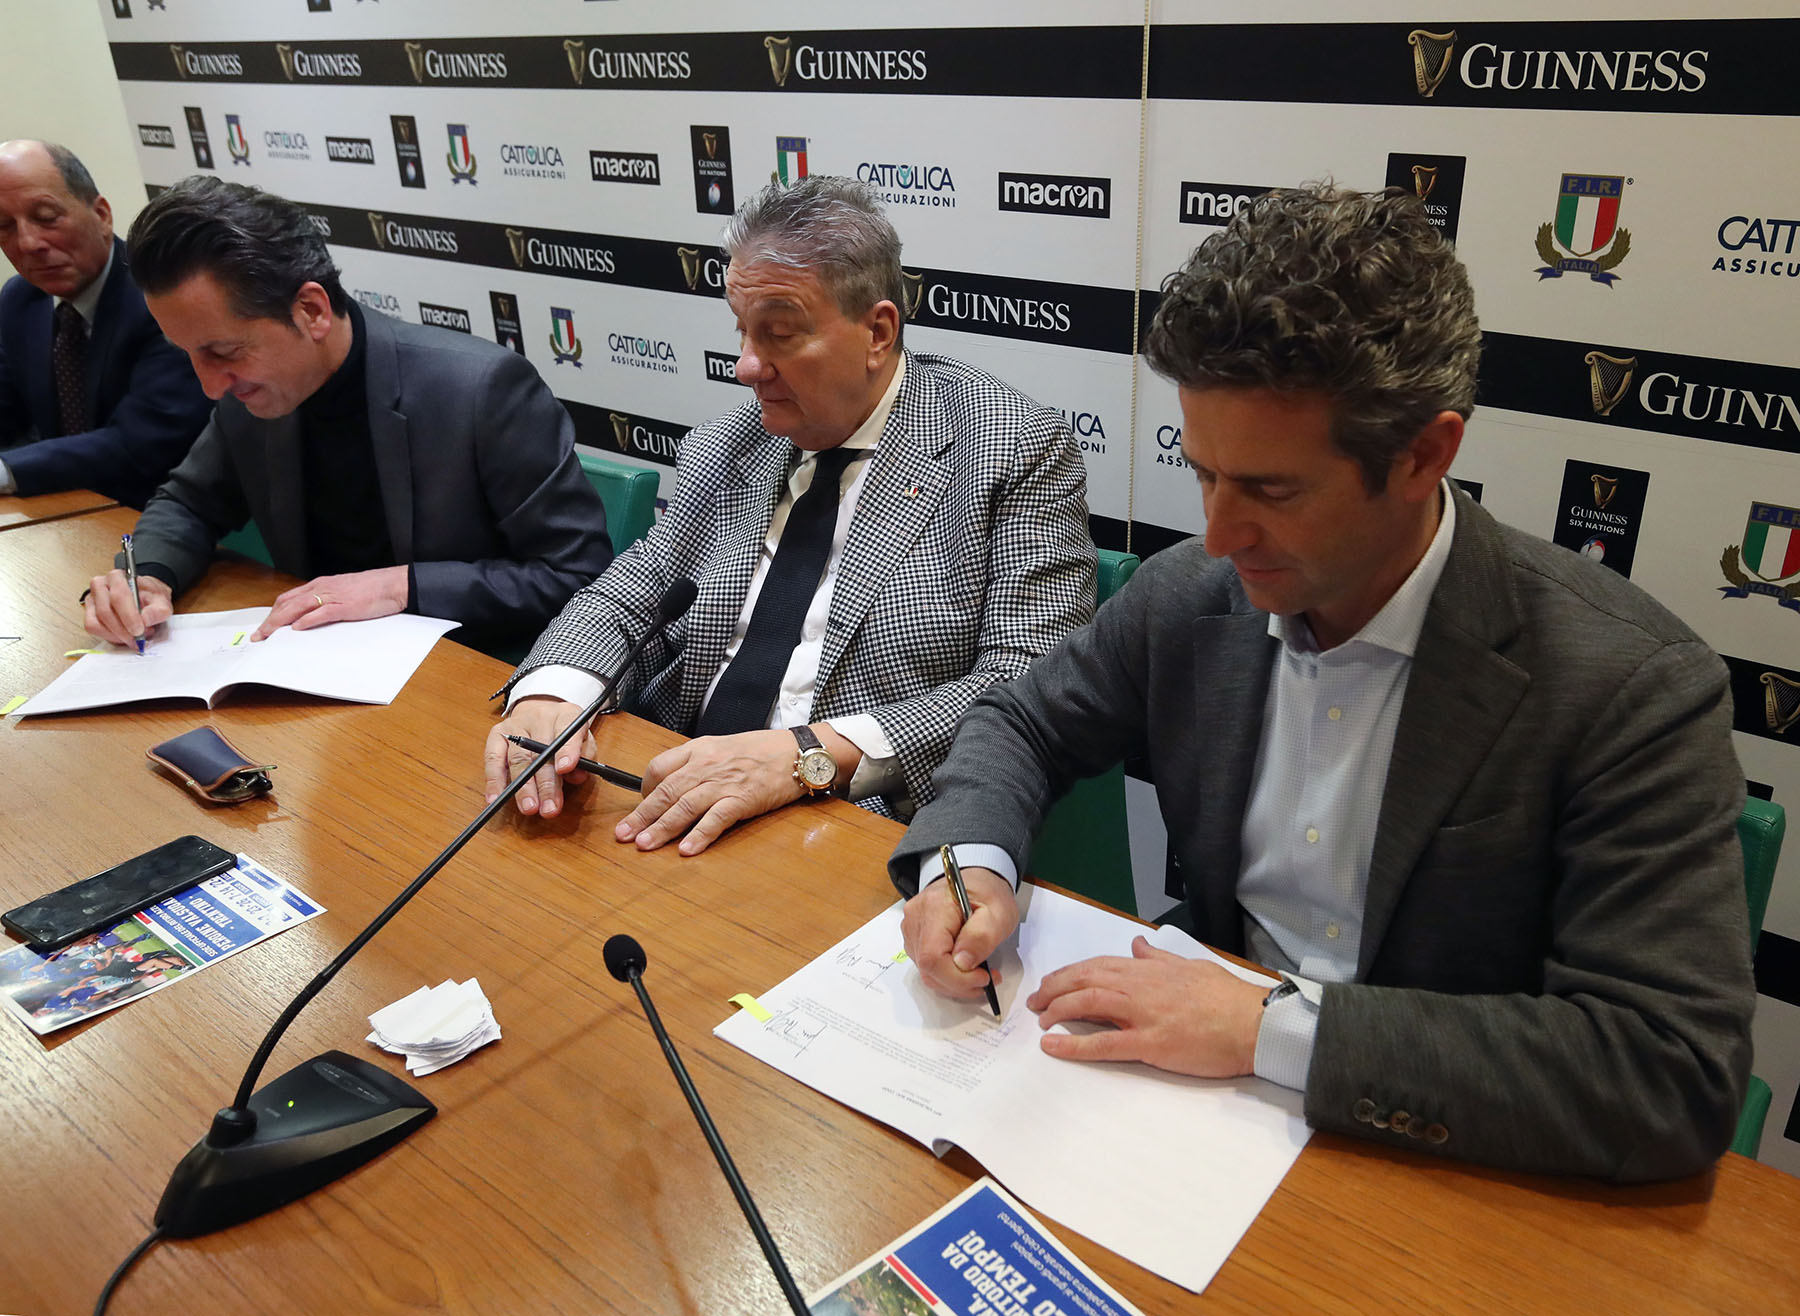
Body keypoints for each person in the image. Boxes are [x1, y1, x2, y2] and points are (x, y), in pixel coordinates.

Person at [891, 184, 1755, 1183]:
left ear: (1424, 455)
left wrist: (1267, 1027)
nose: (1219, 534)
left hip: (1442, 1157)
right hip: (1175, 1116)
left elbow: (1667, 1068)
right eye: (1204, 473)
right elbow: (1023, 720)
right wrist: (970, 863)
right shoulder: (1190, 596)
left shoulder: (1627, 686)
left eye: (1272, 489)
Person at [486, 175, 1095, 854]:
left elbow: (1026, 682)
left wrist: (808, 755)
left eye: (778, 334)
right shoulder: (728, 442)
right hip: (664, 790)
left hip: (851, 826)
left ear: (878, 332)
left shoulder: (1011, 448)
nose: (747, 367)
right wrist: (553, 695)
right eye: (742, 331)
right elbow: (633, 592)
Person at [80, 176, 611, 651]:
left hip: (468, 674)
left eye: (224, 352)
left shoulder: (481, 389)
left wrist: (400, 586)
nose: (209, 385)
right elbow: (189, 503)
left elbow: (578, 574)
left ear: (311, 311)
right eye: (188, 355)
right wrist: (148, 575)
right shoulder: (251, 394)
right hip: (316, 668)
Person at [0, 140, 210, 507]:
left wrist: (6, 471)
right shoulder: (21, 300)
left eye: (46, 217)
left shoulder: (161, 298)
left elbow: (139, 443)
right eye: (4, 226)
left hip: (159, 511)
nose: (29, 242)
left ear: (101, 215)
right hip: (66, 509)